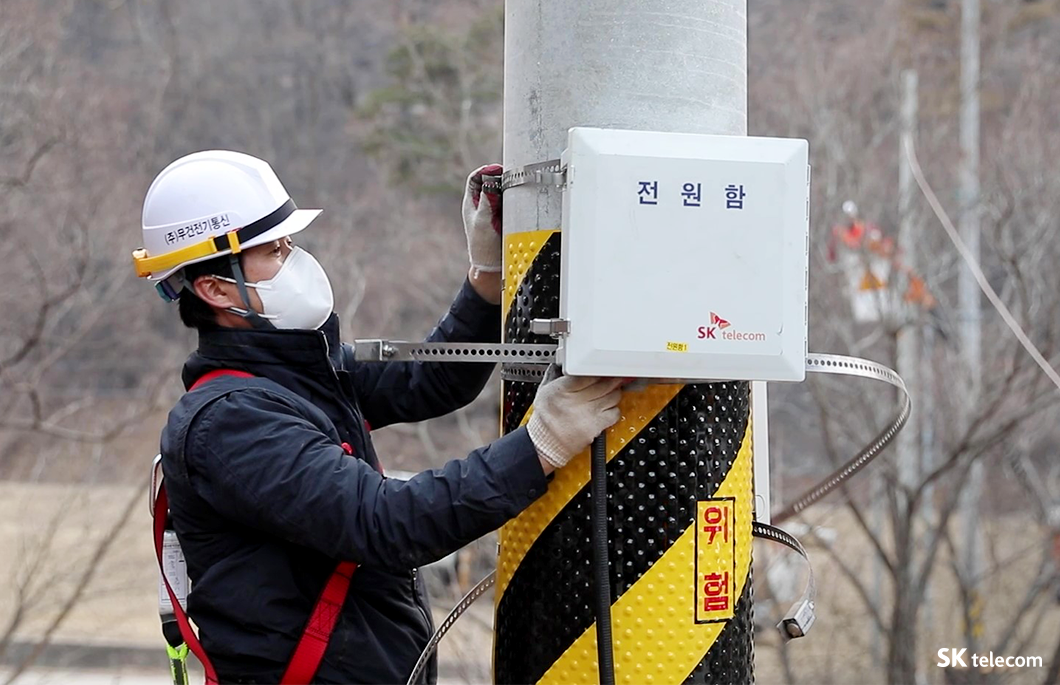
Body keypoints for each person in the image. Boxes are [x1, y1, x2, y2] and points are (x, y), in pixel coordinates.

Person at [133, 151, 624, 685]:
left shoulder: (298, 375)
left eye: (290, 243)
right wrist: (540, 446)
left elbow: (429, 383)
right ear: (216, 289)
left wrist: (485, 282)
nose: (296, 260)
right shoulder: (230, 424)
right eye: (274, 251)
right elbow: (387, 523)